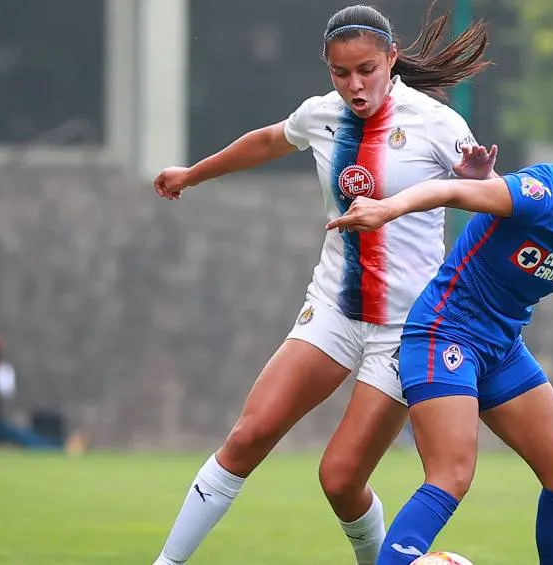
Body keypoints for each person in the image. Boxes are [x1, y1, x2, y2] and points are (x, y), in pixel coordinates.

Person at [149, 4, 493, 565]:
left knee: (338, 479)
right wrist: (192, 173)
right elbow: (266, 141)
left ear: (391, 60)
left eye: (366, 69)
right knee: (247, 437)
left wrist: (479, 181)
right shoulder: (320, 116)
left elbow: (492, 201)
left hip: (404, 330)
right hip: (332, 309)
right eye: (341, 73)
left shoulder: (438, 123)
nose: (354, 85)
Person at [327, 103, 553, 564]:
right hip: (444, 333)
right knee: (451, 474)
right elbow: (453, 191)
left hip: (500, 348)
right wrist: (386, 209)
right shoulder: (536, 193)